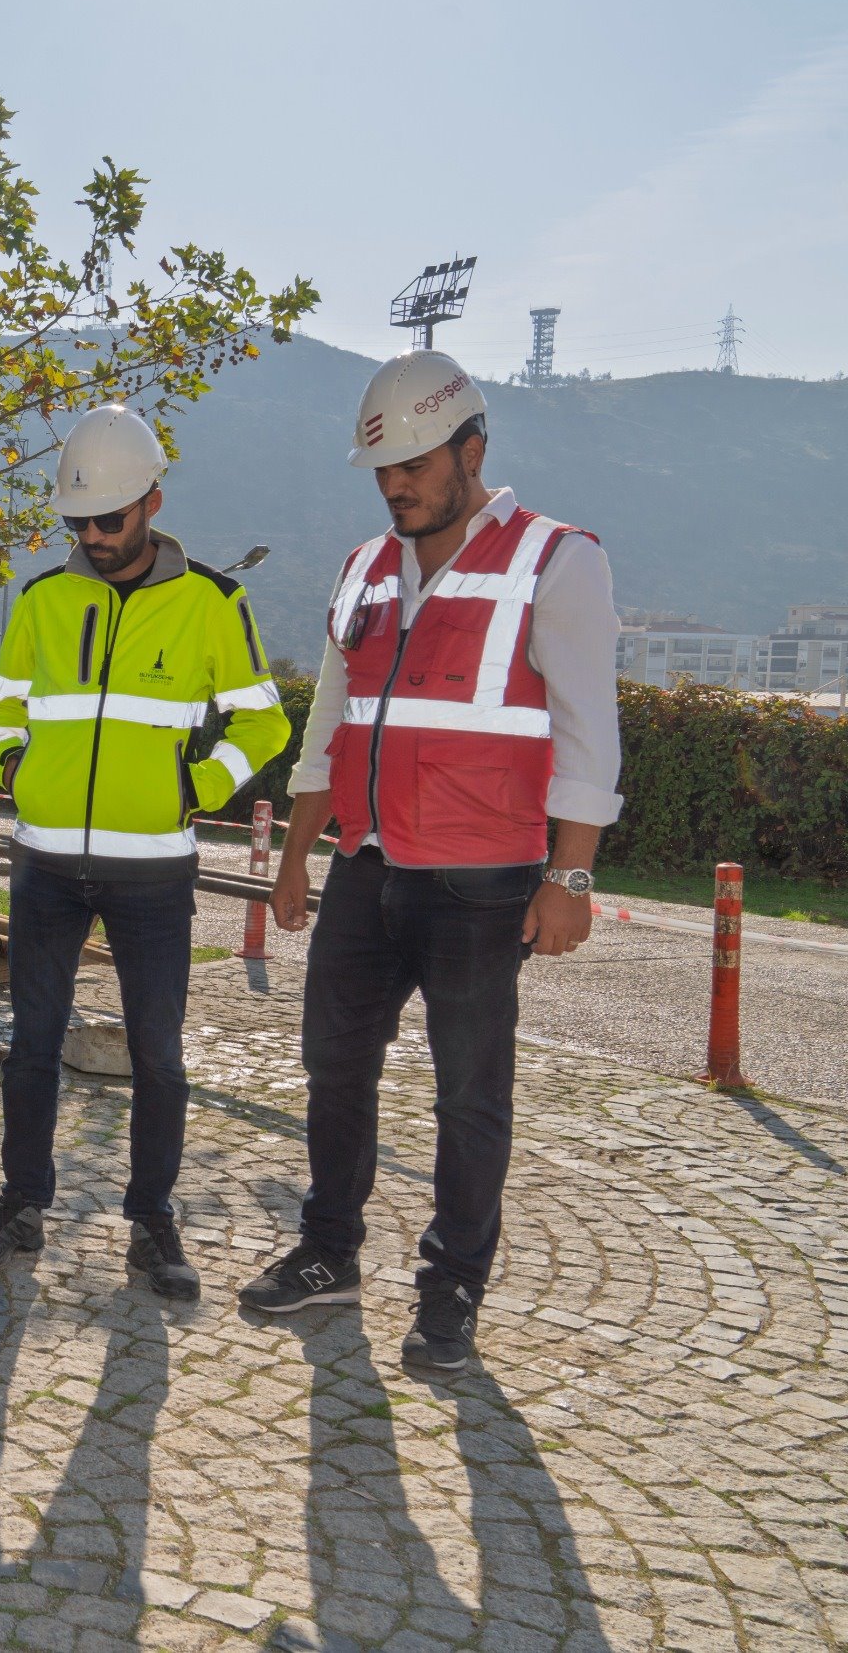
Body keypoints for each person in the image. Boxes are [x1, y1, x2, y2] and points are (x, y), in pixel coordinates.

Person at [241, 351, 618, 1373]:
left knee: (468, 1093)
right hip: (366, 867)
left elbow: (590, 731)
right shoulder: (364, 567)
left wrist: (568, 876)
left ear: (471, 449)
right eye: (382, 470)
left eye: (415, 461)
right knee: (332, 1069)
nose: (397, 483)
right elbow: (332, 719)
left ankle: (451, 1286)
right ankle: (329, 1252)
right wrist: (296, 855)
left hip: (482, 880)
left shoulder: (555, 559)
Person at [0, 404, 289, 1297]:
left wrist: (197, 787)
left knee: (158, 1054)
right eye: (78, 522)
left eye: (109, 519)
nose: (94, 537)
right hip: (45, 865)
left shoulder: (214, 605)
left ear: (152, 501)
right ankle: (21, 1203)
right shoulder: (40, 599)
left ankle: (152, 1220)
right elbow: (3, 707)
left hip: (152, 871)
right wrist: (15, 766)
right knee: (30, 1043)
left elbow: (265, 721)